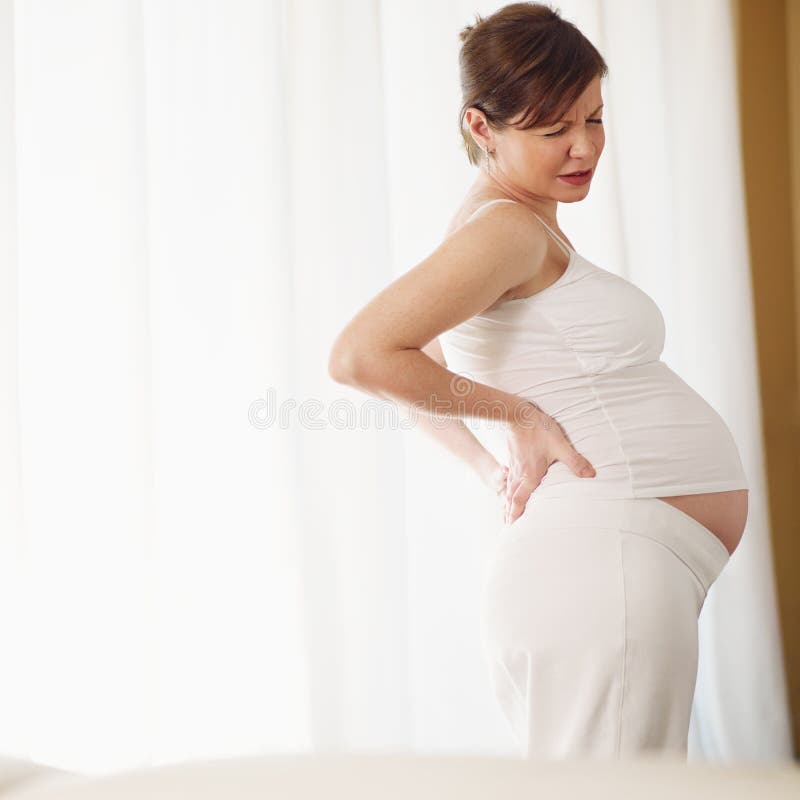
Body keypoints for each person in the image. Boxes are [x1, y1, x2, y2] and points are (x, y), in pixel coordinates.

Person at [328, 1, 749, 761]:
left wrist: (490, 466)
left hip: (613, 564)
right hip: (604, 570)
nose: (583, 146)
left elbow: (414, 370)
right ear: (481, 127)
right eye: (554, 130)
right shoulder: (505, 229)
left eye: (593, 118)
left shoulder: (511, 224)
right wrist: (515, 418)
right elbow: (364, 355)